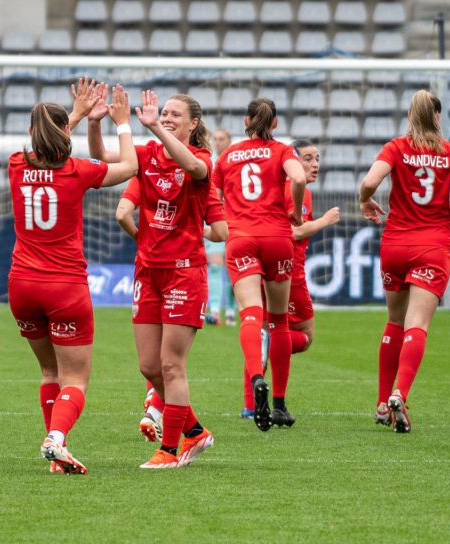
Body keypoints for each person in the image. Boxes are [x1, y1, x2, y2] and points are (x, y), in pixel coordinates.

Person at [8, 81, 138, 474]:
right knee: (76, 379)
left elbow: (42, 145)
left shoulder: (16, 164)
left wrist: (74, 115)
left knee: (49, 373)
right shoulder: (76, 171)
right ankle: (56, 439)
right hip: (64, 286)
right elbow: (131, 166)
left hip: (22, 285)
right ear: (64, 133)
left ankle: (55, 453)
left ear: (32, 134)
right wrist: (122, 124)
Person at [94, 90, 228, 469]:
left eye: (174, 114)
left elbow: (197, 170)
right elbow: (104, 157)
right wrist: (94, 123)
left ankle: (169, 450)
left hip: (184, 272)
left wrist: (154, 127)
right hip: (147, 272)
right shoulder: (147, 156)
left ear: (193, 124)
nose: (166, 117)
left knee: (172, 365)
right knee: (149, 368)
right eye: (163, 113)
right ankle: (196, 431)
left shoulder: (200, 159)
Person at [359, 89, 450, 433]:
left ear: (411, 116)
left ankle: (382, 403)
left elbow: (369, 182)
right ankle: (400, 393)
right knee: (417, 325)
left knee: (394, 321)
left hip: (395, 243)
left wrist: (366, 201)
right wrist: (443, 209)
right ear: (437, 117)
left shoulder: (395, 147)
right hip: (432, 244)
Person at [214, 97, 307, 432]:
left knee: (250, 313)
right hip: (277, 238)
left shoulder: (226, 157)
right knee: (279, 321)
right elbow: (298, 179)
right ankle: (280, 404)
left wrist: (218, 228)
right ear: (276, 124)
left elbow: (209, 197)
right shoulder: (282, 151)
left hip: (241, 238)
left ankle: (256, 380)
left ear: (245, 122)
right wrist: (295, 212)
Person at [234, 139, 340, 423]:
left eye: (317, 158)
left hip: (258, 265)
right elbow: (294, 233)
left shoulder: (270, 187)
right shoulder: (297, 190)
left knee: (263, 327)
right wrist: (325, 221)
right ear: (292, 161)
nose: (314, 164)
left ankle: (249, 405)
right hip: (287, 271)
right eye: (307, 158)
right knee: (303, 336)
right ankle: (266, 348)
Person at [205, 128, 235, 327]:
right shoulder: (209, 161)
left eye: (221, 139)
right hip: (215, 219)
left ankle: (231, 312)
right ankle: (215, 311)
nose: (217, 142)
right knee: (215, 266)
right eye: (215, 139)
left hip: (236, 220)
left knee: (234, 269)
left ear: (229, 140)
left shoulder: (235, 160)